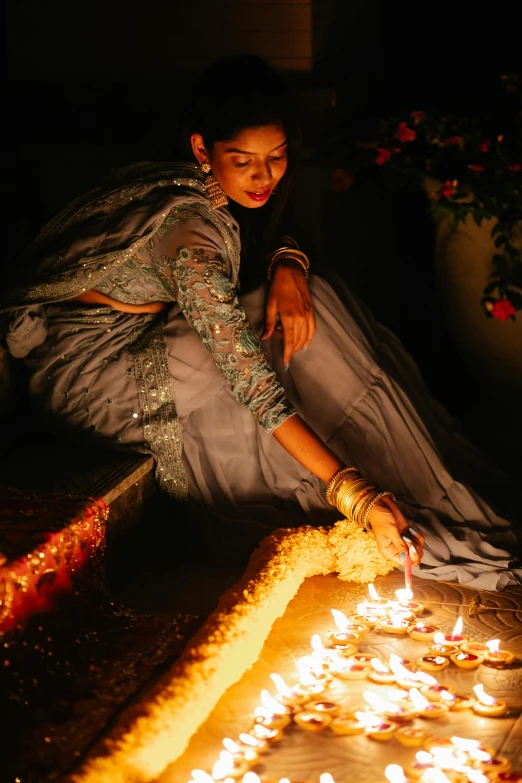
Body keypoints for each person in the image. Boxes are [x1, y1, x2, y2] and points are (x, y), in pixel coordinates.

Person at [2, 56, 520, 590]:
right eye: (242, 159)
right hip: (90, 380)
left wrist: (286, 261)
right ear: (202, 150)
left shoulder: (199, 190)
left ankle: (415, 477)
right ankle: (391, 482)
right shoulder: (190, 236)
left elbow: (259, 251)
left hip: (132, 339)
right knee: (259, 335)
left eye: (276, 156)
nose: (264, 176)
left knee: (307, 300)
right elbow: (251, 384)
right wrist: (357, 496)